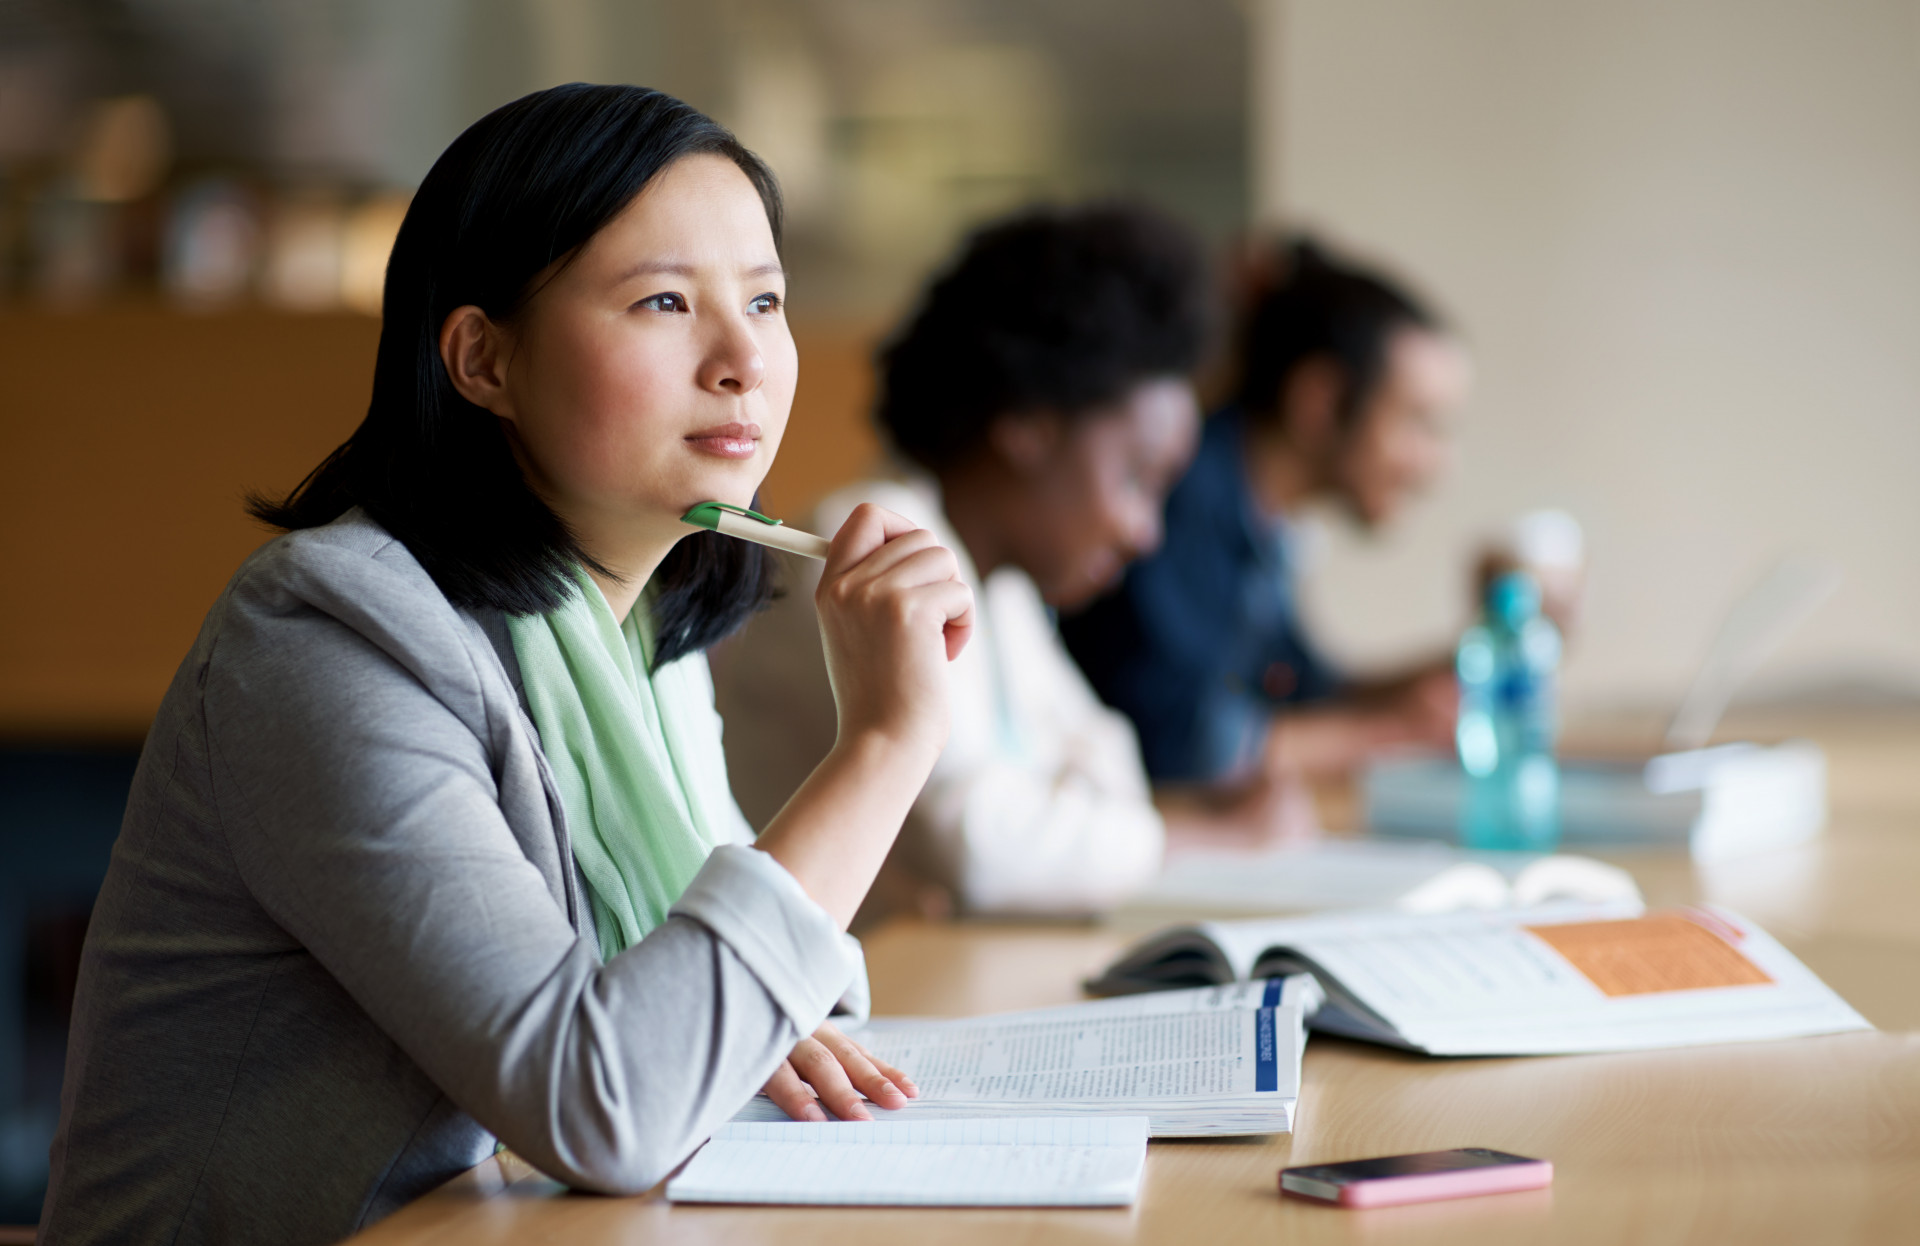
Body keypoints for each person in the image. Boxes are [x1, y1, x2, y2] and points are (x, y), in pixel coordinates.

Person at [39, 84, 974, 1245]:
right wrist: (885, 742)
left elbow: (786, 1011)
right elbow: (607, 1103)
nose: (743, 359)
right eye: (666, 300)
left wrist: (732, 1017)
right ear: (484, 359)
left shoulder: (643, 637)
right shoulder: (328, 636)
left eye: (767, 298)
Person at [714, 205, 1307, 924]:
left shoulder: (1002, 590)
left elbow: (1109, 770)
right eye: (1135, 478)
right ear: (1028, 423)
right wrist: (1220, 838)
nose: (1144, 532)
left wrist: (1087, 828)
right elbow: (984, 853)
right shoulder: (869, 539)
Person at [1061, 238, 1472, 786]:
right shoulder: (1182, 503)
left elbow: (1303, 691)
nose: (1434, 464)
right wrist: (1391, 734)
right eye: (1418, 423)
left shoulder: (1264, 523)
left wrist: (1481, 651)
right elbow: (1180, 747)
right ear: (1319, 401)